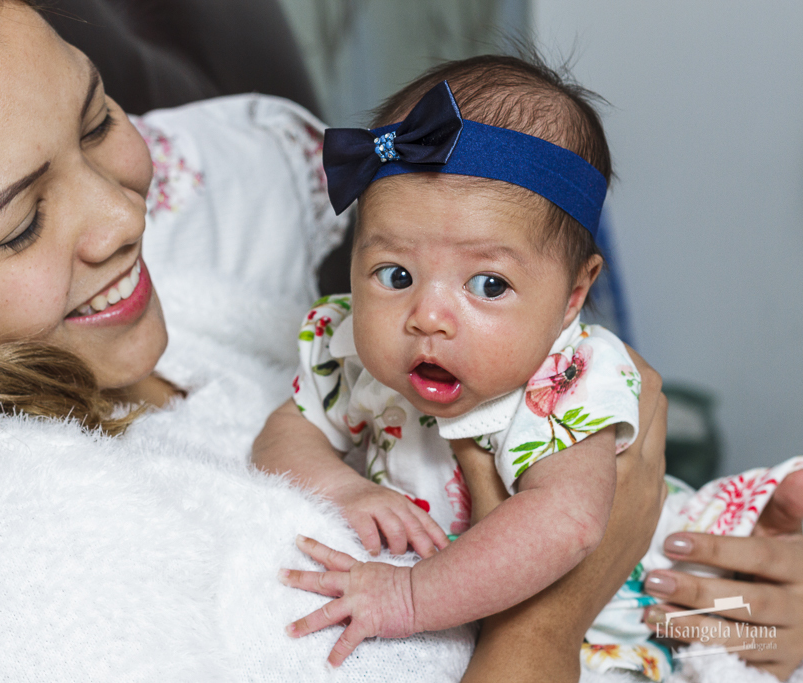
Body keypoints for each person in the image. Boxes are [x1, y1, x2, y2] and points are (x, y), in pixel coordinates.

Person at [0, 0, 793, 681]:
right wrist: (550, 618)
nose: (125, 218)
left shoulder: (195, 317)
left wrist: (742, 598)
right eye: (20, 224)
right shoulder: (4, 550)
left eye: (96, 122)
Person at [252, 57, 803, 681]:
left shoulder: (567, 378)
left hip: (635, 588)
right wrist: (343, 487)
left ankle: (760, 537)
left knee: (721, 617)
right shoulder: (349, 347)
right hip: (563, 631)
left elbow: (567, 524)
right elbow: (285, 432)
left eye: (489, 284)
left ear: (572, 296)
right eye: (395, 274)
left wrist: (407, 596)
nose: (427, 317)